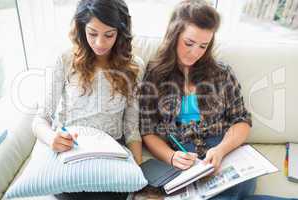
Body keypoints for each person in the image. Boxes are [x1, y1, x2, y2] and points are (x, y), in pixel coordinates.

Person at [139, 0, 255, 199]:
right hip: (186, 154)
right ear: (174, 36)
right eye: (189, 43)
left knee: (243, 186)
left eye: (203, 46)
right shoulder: (155, 75)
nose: (195, 53)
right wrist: (172, 156)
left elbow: (241, 120)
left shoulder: (221, 74)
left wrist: (220, 150)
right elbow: (147, 129)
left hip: (222, 148)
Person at [32, 0, 144, 199]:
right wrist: (52, 139)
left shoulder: (134, 66)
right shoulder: (65, 59)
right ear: (81, 28)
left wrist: (137, 171)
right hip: (71, 152)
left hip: (111, 153)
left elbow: (131, 128)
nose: (100, 43)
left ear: (120, 32)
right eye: (92, 33)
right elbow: (40, 119)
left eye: (109, 35)